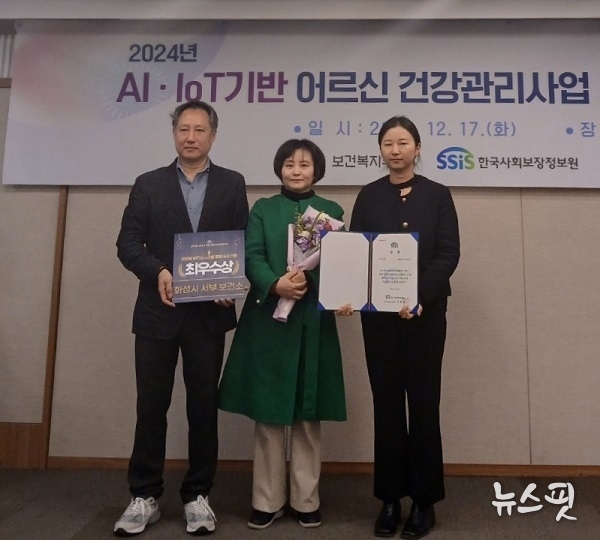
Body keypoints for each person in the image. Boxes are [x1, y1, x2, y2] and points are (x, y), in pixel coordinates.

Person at [114, 100, 249, 537]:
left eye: (199, 129)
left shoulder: (232, 183)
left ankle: (197, 495)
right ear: (174, 134)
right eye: (183, 129)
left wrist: (231, 283)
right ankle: (145, 495)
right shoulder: (148, 184)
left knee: (203, 406)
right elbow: (127, 244)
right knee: (151, 406)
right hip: (158, 313)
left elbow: (242, 242)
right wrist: (158, 270)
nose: (191, 137)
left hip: (208, 316)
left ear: (213, 135)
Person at [218, 139, 348, 530]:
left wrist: (312, 282)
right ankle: (267, 500)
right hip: (268, 323)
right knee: (269, 413)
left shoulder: (331, 211)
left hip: (312, 320)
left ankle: (307, 500)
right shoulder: (263, 208)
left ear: (317, 170)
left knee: (308, 415)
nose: (296, 170)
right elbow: (251, 255)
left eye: (304, 164)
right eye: (289, 164)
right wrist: (276, 284)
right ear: (279, 169)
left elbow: (342, 263)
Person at [350, 116, 460, 539]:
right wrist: (349, 292)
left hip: (425, 317)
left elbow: (448, 253)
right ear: (380, 149)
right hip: (379, 321)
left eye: (403, 142)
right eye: (387, 143)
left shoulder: (437, 194)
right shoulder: (369, 195)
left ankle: (425, 502)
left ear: (417, 147)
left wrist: (418, 296)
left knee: (425, 405)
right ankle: (390, 498)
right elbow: (356, 253)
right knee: (387, 406)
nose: (395, 150)